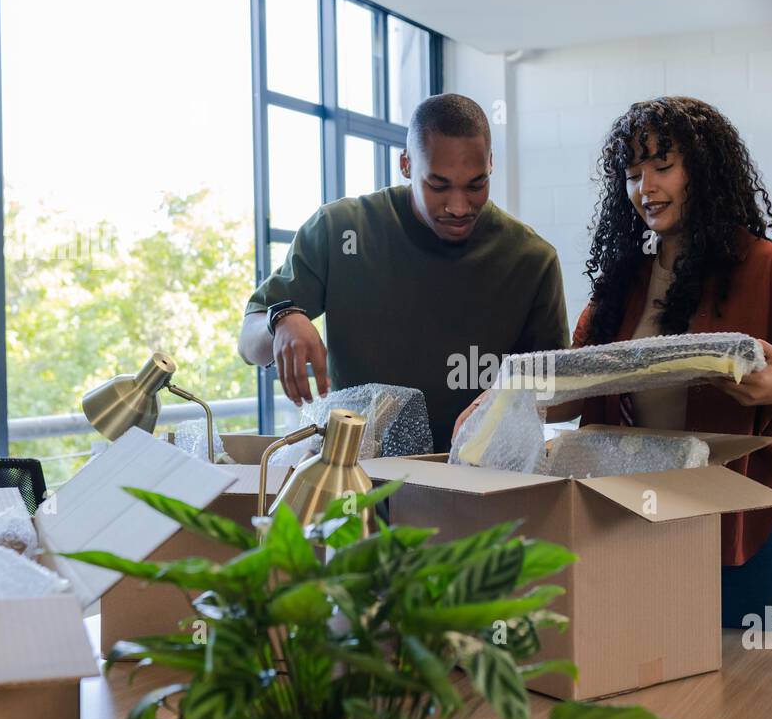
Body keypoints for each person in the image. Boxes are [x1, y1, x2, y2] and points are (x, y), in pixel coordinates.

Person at [457, 96, 772, 628]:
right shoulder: (620, 287)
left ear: (702, 169)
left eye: (662, 166)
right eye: (633, 173)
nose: (645, 188)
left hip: (749, 526)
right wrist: (503, 403)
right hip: (632, 521)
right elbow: (573, 393)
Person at [238, 93, 568, 452]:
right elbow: (248, 342)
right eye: (438, 185)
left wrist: (509, 401)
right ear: (407, 165)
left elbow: (557, 390)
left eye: (476, 185)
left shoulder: (532, 259)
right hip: (358, 480)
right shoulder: (341, 230)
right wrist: (282, 319)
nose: (459, 206)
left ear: (491, 163)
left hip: (479, 484)